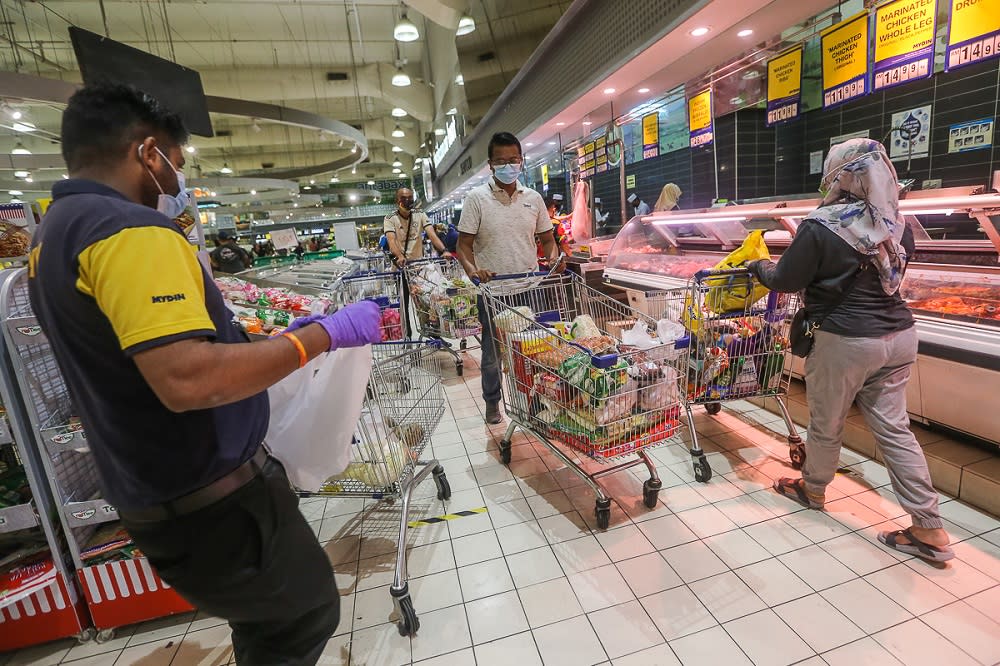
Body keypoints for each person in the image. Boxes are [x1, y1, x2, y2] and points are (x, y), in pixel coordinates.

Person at [28, 83, 382, 664]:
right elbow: (189, 379)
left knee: (267, 621)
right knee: (304, 614)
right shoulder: (128, 230)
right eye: (177, 165)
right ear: (148, 153)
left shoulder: (53, 236)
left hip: (155, 492)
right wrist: (323, 334)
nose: (177, 185)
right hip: (212, 504)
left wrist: (248, 342)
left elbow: (134, 355)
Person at [748, 138, 954, 563]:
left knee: (827, 422)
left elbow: (786, 278)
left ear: (840, 175)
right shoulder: (897, 222)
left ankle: (814, 488)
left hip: (845, 340)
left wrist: (757, 266)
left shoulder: (821, 224)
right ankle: (929, 528)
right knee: (896, 430)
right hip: (898, 336)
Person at [457, 132, 561, 424]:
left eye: (513, 160)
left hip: (529, 288)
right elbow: (463, 246)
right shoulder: (476, 199)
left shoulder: (534, 199)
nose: (508, 166)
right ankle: (492, 402)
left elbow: (548, 239)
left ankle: (535, 403)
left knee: (534, 351)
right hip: (492, 293)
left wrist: (552, 257)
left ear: (521, 161)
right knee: (492, 356)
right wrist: (473, 271)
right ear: (490, 164)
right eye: (501, 161)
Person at [384, 187, 449, 337]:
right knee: (404, 304)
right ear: (397, 201)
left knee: (427, 301)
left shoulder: (420, 214)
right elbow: (391, 241)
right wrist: (399, 256)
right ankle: (408, 336)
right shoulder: (390, 218)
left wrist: (444, 250)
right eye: (404, 198)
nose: (408, 201)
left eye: (410, 198)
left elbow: (431, 234)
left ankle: (433, 332)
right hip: (402, 268)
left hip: (420, 268)